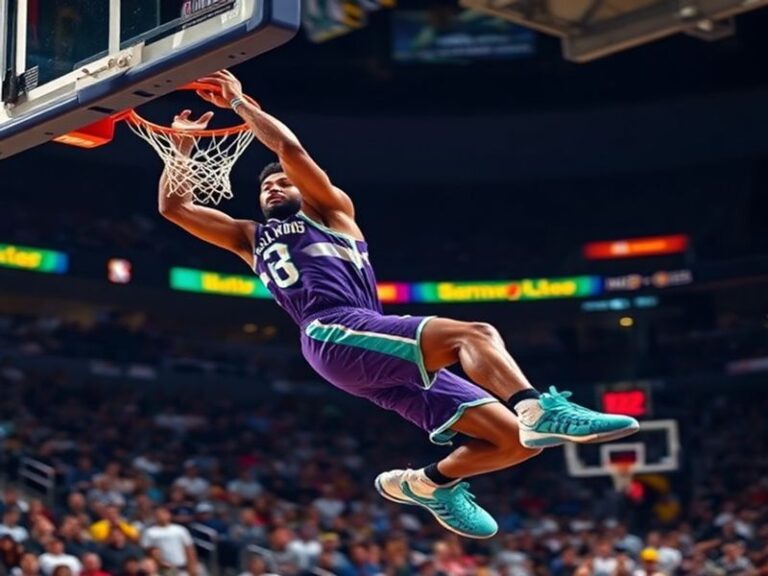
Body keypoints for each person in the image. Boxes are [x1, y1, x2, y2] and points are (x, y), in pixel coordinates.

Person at [158, 68, 639, 539]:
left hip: (365, 337)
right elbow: (174, 208)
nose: (272, 188)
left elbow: (290, 150)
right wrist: (181, 147)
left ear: (307, 191)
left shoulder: (333, 214)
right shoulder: (248, 237)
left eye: (283, 183)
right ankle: (537, 408)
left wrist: (239, 103)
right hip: (330, 331)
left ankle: (428, 484)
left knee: (516, 442)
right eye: (266, 187)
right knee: (475, 335)